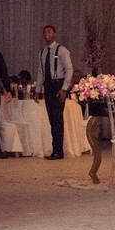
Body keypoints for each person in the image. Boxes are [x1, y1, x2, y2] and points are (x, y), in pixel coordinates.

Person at [34, 25, 72, 160]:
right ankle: (55, 149)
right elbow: (41, 73)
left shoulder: (61, 50)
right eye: (44, 32)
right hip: (48, 86)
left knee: (57, 119)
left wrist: (64, 88)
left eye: (49, 32)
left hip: (58, 85)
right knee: (52, 119)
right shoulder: (42, 52)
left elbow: (69, 69)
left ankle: (58, 151)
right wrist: (38, 90)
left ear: (55, 34)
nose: (46, 34)